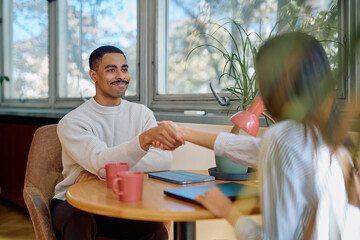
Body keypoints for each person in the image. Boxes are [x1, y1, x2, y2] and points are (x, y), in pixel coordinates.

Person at [155, 32, 360, 239]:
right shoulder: (331, 136)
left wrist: (229, 212)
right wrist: (184, 132)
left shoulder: (284, 138)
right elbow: (253, 148)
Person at [50, 45, 183, 240]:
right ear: (93, 75)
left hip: (121, 200)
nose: (121, 75)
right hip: (73, 200)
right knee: (79, 224)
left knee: (156, 231)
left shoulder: (142, 114)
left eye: (125, 69)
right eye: (111, 70)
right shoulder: (72, 122)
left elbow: (163, 161)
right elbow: (101, 163)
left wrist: (102, 173)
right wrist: (143, 142)